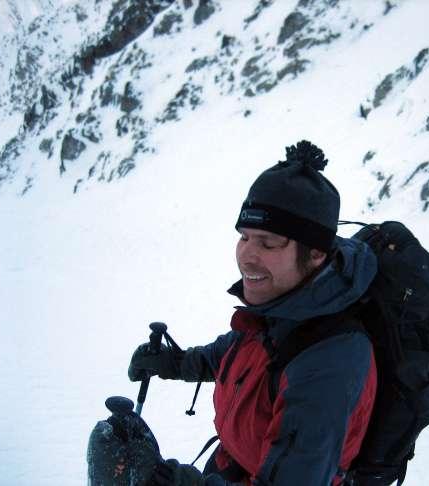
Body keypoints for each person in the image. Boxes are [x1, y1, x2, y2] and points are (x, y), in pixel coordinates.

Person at [129, 140, 378, 486]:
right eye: (244, 237)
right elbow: (236, 353)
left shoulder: (331, 363)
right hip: (233, 466)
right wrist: (175, 362)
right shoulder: (285, 304)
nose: (246, 256)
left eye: (268, 242)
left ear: (316, 253)